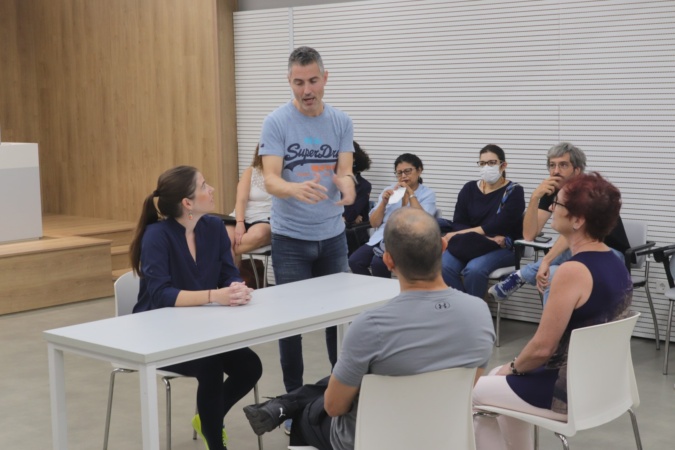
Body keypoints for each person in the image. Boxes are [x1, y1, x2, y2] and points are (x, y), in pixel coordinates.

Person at [241, 208, 495, 450]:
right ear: (442, 246)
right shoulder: (479, 313)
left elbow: (334, 407)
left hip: (372, 439)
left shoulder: (371, 326)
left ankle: (289, 405)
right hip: (442, 434)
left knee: (308, 416)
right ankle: (289, 403)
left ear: (388, 260)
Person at [473, 173, 633, 450]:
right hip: (604, 385)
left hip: (565, 392)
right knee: (498, 376)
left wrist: (512, 368)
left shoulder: (572, 271)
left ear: (577, 220)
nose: (550, 208)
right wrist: (509, 370)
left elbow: (542, 349)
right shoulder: (614, 261)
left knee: (476, 392)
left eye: (557, 204)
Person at [129, 165, 262, 450]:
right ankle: (215, 442)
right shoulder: (156, 236)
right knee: (210, 364)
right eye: (203, 186)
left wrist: (236, 287)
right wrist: (215, 296)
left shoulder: (213, 227)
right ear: (187, 203)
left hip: (201, 329)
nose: (211, 189)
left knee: (250, 366)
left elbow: (228, 273)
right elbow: (161, 295)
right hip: (157, 335)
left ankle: (207, 419)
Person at [258, 46, 357, 424]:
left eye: (313, 80)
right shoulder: (276, 122)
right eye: (298, 82)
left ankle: (339, 400)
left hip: (332, 236)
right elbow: (270, 179)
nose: (307, 90)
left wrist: (347, 186)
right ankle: (290, 406)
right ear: (289, 81)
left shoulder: (341, 121)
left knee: (340, 321)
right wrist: (293, 188)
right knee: (292, 324)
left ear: (325, 78)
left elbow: (344, 169)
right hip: (290, 238)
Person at [488, 142, 630, 304]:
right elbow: (528, 235)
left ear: (577, 170)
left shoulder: (586, 192)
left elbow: (577, 234)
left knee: (563, 255)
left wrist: (546, 260)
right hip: (579, 253)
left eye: (563, 165)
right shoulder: (553, 189)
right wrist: (535, 197)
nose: (556, 171)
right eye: (552, 165)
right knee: (552, 275)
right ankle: (552, 319)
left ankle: (521, 275)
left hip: (610, 255)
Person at [440, 144, 525, 297]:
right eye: (483, 163)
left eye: (492, 163)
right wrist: (485, 237)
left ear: (503, 165)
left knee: (474, 270)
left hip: (502, 248)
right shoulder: (469, 188)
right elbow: (458, 222)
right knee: (443, 266)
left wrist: (468, 234)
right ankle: (467, 307)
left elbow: (500, 225)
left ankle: (473, 309)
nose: (487, 167)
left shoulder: (514, 191)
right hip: (469, 244)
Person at [348, 153, 436, 278]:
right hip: (382, 237)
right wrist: (383, 203)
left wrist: (410, 193)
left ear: (419, 170)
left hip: (408, 240)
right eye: (399, 173)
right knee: (355, 261)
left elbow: (423, 221)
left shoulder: (427, 194)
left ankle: (383, 289)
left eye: (407, 171)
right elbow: (374, 223)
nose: (403, 176)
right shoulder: (390, 190)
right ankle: (372, 288)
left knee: (378, 263)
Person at [224, 144, 272, 261]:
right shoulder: (250, 172)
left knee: (259, 234)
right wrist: (240, 222)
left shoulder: (286, 175)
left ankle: (220, 253)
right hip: (241, 217)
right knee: (225, 239)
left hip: (265, 220)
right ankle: (228, 268)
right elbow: (241, 200)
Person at [343, 141, 372, 255]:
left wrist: (342, 217)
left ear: (354, 158)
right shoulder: (329, 181)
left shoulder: (363, 186)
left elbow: (349, 216)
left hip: (352, 237)